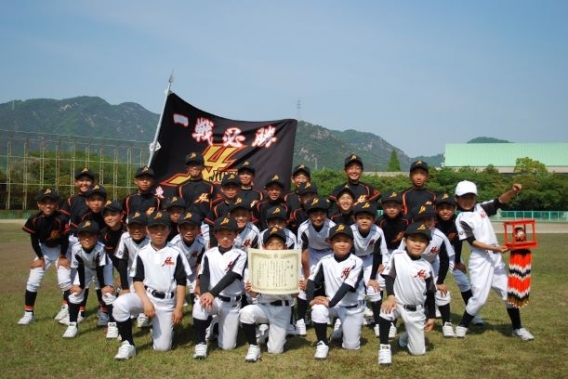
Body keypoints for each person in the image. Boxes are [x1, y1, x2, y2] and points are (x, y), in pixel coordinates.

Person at [453, 180, 534, 341]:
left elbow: (500, 201)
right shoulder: (461, 219)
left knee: (508, 294)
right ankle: (462, 326)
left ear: (475, 197)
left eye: (471, 197)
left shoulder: (481, 208)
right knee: (479, 298)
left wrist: (513, 191)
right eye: (464, 197)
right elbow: (472, 242)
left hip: (495, 259)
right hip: (480, 260)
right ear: (457, 198)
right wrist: (495, 248)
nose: (468, 200)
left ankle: (518, 328)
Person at [112, 210, 187, 360]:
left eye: (163, 228)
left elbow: (181, 282)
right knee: (120, 304)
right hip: (147, 296)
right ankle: (128, 344)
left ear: (169, 230)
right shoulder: (142, 252)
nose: (159, 232)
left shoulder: (176, 252)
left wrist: (179, 308)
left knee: (162, 348)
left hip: (166, 301)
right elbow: (137, 280)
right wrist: (146, 302)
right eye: (154, 228)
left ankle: (162, 328)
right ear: (148, 230)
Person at [377, 222, 437, 366]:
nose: (417, 244)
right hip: (397, 303)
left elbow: (430, 294)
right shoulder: (397, 256)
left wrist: (432, 316)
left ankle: (406, 337)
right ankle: (384, 348)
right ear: (405, 241)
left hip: (416, 310)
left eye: (422, 241)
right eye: (413, 240)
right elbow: (389, 277)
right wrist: (390, 296)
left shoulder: (427, 266)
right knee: (385, 310)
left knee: (418, 352)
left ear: (427, 245)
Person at [306, 223, 366, 360]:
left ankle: (341, 328)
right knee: (317, 309)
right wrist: (310, 300)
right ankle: (322, 343)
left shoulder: (356, 262)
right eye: (338, 241)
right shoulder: (325, 260)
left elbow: (346, 286)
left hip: (352, 307)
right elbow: (311, 281)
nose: (342, 244)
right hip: (333, 305)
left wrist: (331, 302)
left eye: (346, 241)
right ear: (330, 243)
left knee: (351, 347)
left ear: (352, 243)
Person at [192, 216, 247, 359]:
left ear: (236, 235)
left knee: (227, 347)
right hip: (214, 301)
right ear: (215, 235)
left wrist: (212, 293)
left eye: (229, 234)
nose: (225, 238)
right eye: (221, 234)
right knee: (199, 305)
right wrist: (205, 294)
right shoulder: (209, 253)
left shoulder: (240, 254)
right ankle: (200, 343)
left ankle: (215, 325)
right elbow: (204, 275)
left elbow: (232, 275)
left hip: (232, 303)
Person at [239, 227, 297, 362]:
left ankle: (267, 334)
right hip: (264, 307)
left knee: (275, 351)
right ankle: (253, 346)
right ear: (264, 247)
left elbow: (294, 295)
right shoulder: (257, 263)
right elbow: (254, 294)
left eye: (279, 244)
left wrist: (298, 287)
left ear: (285, 247)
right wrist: (250, 289)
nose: (275, 248)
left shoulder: (292, 263)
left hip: (283, 309)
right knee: (246, 312)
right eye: (271, 244)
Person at [18, 188, 70, 325]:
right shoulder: (34, 219)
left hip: (61, 250)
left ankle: (67, 308)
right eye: (44, 202)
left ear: (57, 203)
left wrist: (63, 256)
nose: (48, 205)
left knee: (65, 281)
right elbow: (34, 240)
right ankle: (29, 314)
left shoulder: (62, 218)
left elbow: (65, 239)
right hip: (44, 251)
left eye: (51, 202)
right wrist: (40, 258)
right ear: (39, 204)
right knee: (33, 281)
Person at [405, 204, 455, 338]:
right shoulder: (410, 235)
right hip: (414, 265)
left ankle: (447, 323)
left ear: (435, 220)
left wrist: (440, 281)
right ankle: (418, 317)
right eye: (422, 220)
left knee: (441, 292)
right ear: (415, 221)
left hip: (433, 265)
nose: (426, 223)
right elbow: (401, 255)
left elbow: (445, 260)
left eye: (429, 219)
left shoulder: (440, 236)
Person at [435, 193, 484, 326]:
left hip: (451, 254)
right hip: (434, 254)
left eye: (449, 208)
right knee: (433, 282)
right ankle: (432, 309)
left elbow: (458, 242)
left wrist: (457, 261)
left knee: (463, 282)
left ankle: (473, 313)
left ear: (455, 208)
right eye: (442, 208)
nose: (445, 211)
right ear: (436, 209)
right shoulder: (432, 221)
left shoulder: (458, 221)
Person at [63, 220, 116, 339]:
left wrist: (103, 286)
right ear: (78, 237)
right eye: (83, 235)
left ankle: (113, 325)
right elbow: (79, 267)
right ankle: (72, 325)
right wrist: (81, 286)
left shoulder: (100, 248)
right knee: (75, 294)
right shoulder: (76, 248)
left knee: (108, 294)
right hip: (85, 268)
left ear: (97, 237)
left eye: (91, 235)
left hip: (103, 268)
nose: (87, 239)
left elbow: (100, 268)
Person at [55, 167, 94, 322]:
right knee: (71, 277)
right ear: (76, 182)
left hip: (88, 241)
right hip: (72, 240)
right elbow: (62, 220)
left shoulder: (95, 200)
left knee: (83, 276)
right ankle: (67, 305)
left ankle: (81, 311)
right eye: (81, 180)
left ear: (92, 182)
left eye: (88, 180)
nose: (84, 183)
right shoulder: (71, 200)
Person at [295, 195, 336, 336]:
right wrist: (307, 277)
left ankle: (332, 314)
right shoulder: (304, 228)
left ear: (326, 214)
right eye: (314, 213)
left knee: (331, 282)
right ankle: (300, 318)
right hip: (311, 253)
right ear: (309, 215)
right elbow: (304, 253)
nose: (318, 217)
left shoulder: (332, 227)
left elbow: (335, 248)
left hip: (328, 253)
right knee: (303, 284)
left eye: (322, 213)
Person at [349, 201, 388, 338]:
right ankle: (346, 320)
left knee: (373, 289)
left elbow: (378, 254)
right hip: (354, 260)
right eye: (361, 217)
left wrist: (372, 278)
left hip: (371, 259)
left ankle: (378, 323)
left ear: (374, 219)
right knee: (352, 287)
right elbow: (350, 254)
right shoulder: (350, 230)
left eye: (368, 217)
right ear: (355, 219)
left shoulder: (377, 231)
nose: (364, 220)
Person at [114, 211, 151, 327]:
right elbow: (122, 262)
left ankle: (143, 313)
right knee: (124, 297)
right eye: (132, 227)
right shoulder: (125, 237)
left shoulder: (151, 239)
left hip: (150, 274)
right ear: (127, 227)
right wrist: (124, 287)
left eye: (140, 227)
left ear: (146, 228)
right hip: (132, 273)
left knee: (146, 294)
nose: (136, 230)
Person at [170, 211, 206, 300]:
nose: (189, 232)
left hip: (193, 272)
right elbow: (171, 266)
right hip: (176, 273)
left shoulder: (202, 243)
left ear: (198, 229)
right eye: (185, 228)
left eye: (193, 228)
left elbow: (200, 265)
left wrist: (198, 285)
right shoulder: (173, 244)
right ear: (179, 229)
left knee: (198, 297)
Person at [178, 151, 219, 220]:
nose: (194, 167)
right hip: (186, 224)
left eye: (197, 164)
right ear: (187, 168)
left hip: (204, 224)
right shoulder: (180, 188)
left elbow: (216, 208)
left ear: (203, 167)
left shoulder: (211, 187)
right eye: (191, 165)